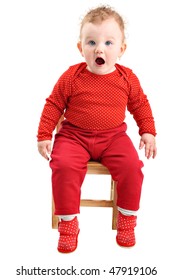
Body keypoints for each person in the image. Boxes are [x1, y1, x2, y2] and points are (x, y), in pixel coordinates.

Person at [37, 5, 157, 253]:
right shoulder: (71, 76)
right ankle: (68, 224)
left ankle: (127, 220)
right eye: (91, 42)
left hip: (113, 137)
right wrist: (44, 135)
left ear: (121, 50)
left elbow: (140, 105)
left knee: (132, 168)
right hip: (73, 137)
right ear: (81, 48)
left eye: (108, 43)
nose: (99, 48)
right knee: (63, 166)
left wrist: (148, 131)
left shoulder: (127, 79)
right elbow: (53, 105)